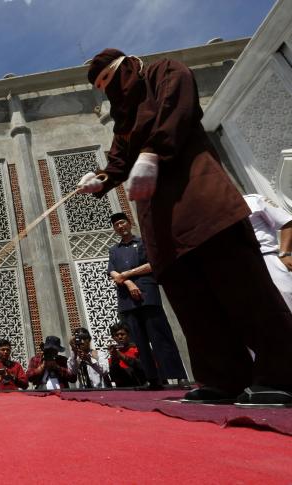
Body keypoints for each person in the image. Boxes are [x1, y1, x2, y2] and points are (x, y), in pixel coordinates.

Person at [77, 48, 292, 405]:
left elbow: (179, 110)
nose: (106, 91)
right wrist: (102, 179)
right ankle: (224, 379)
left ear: (123, 68)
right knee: (193, 304)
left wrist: (152, 154)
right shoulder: (125, 120)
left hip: (200, 201)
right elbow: (118, 160)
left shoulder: (163, 71)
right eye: (99, 87)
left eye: (107, 81)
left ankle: (283, 373)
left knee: (243, 290)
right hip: (160, 222)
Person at [107, 212, 187, 389]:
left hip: (147, 295)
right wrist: (127, 283)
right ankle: (151, 378)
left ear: (130, 223)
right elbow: (112, 272)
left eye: (122, 223)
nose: (120, 227)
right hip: (127, 300)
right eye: (117, 225)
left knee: (160, 336)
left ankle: (178, 375)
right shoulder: (114, 250)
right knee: (138, 341)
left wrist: (127, 274)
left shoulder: (143, 243)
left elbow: (153, 264)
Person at [244, 194, 292, 310]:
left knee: (286, 298)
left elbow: (287, 222)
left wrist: (285, 253)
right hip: (241, 265)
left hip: (267, 257)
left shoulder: (253, 200)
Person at [107, 322, 146, 388]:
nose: (120, 337)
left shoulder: (137, 349)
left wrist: (120, 355)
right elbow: (114, 377)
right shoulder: (113, 355)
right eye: (116, 335)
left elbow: (141, 367)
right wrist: (114, 358)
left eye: (122, 334)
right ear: (113, 338)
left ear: (128, 335)